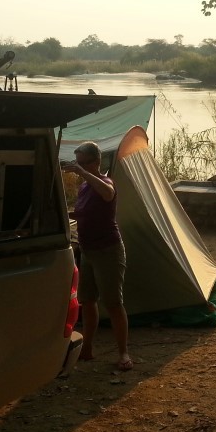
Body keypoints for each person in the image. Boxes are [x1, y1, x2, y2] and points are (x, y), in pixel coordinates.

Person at [63, 141, 133, 371]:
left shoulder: (105, 182)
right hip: (88, 251)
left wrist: (83, 173)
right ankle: (88, 348)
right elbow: (83, 212)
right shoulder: (84, 187)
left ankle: (123, 353)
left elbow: (108, 194)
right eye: (77, 163)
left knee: (113, 303)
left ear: (95, 162)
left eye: (83, 163)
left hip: (108, 251)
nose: (79, 168)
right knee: (87, 300)